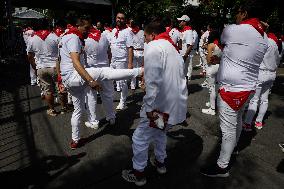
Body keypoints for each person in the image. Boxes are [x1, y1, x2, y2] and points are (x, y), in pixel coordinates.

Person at [200, 0, 268, 177]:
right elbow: (239, 54)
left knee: (228, 130)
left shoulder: (232, 30)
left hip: (231, 90)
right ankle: (233, 150)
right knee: (237, 122)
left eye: (237, 12)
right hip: (248, 87)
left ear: (244, 13)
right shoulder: (264, 36)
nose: (235, 16)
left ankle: (222, 166)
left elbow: (223, 42)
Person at [58, 16, 143, 149]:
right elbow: (75, 62)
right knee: (105, 72)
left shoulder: (64, 36)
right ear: (78, 25)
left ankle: (75, 140)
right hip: (77, 74)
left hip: (68, 78)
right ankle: (140, 71)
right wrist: (90, 80)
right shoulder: (75, 37)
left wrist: (60, 80)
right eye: (86, 28)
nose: (88, 30)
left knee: (78, 110)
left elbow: (59, 60)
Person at [122, 19, 188, 186]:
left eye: (145, 36)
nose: (144, 40)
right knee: (159, 133)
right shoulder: (173, 47)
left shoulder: (153, 46)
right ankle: (160, 164)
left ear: (152, 35)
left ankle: (139, 174)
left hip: (159, 105)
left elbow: (153, 81)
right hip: (174, 104)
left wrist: (150, 108)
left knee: (139, 138)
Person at [243, 27, 281, 130]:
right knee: (264, 100)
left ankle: (247, 123)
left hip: (261, 73)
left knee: (254, 100)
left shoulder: (263, 42)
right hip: (271, 73)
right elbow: (278, 60)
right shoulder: (276, 44)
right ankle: (259, 122)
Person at [27, 20, 62, 116]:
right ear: (48, 27)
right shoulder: (55, 37)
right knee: (60, 88)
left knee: (47, 90)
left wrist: (35, 67)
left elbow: (30, 56)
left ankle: (52, 110)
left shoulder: (32, 39)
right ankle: (64, 107)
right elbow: (62, 52)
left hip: (41, 68)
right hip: (55, 67)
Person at [84, 26, 116, 129]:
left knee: (91, 96)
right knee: (107, 95)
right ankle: (111, 117)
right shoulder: (104, 37)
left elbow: (82, 56)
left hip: (91, 71)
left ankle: (93, 121)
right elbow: (109, 53)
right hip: (105, 69)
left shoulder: (85, 39)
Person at [110, 12, 134, 110]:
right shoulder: (114, 30)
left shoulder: (128, 31)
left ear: (125, 20)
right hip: (113, 59)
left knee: (122, 82)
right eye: (118, 18)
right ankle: (110, 98)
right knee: (109, 79)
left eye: (122, 18)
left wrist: (130, 63)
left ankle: (123, 102)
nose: (119, 20)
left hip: (122, 60)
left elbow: (130, 48)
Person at [201, 30, 222, 116]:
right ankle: (214, 103)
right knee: (217, 87)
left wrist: (207, 56)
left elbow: (209, 60)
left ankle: (212, 109)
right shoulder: (221, 45)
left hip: (211, 67)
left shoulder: (211, 45)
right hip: (219, 66)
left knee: (211, 88)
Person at [177, 15, 194, 81]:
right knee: (181, 74)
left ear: (185, 22)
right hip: (181, 55)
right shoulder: (184, 31)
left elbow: (190, 45)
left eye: (181, 21)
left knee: (183, 74)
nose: (179, 23)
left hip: (184, 55)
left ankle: (185, 90)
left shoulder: (188, 31)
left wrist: (185, 56)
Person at [129, 19, 144, 91]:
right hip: (141, 52)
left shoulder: (130, 32)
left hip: (134, 51)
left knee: (134, 69)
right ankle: (141, 83)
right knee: (142, 69)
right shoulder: (142, 32)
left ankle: (133, 85)